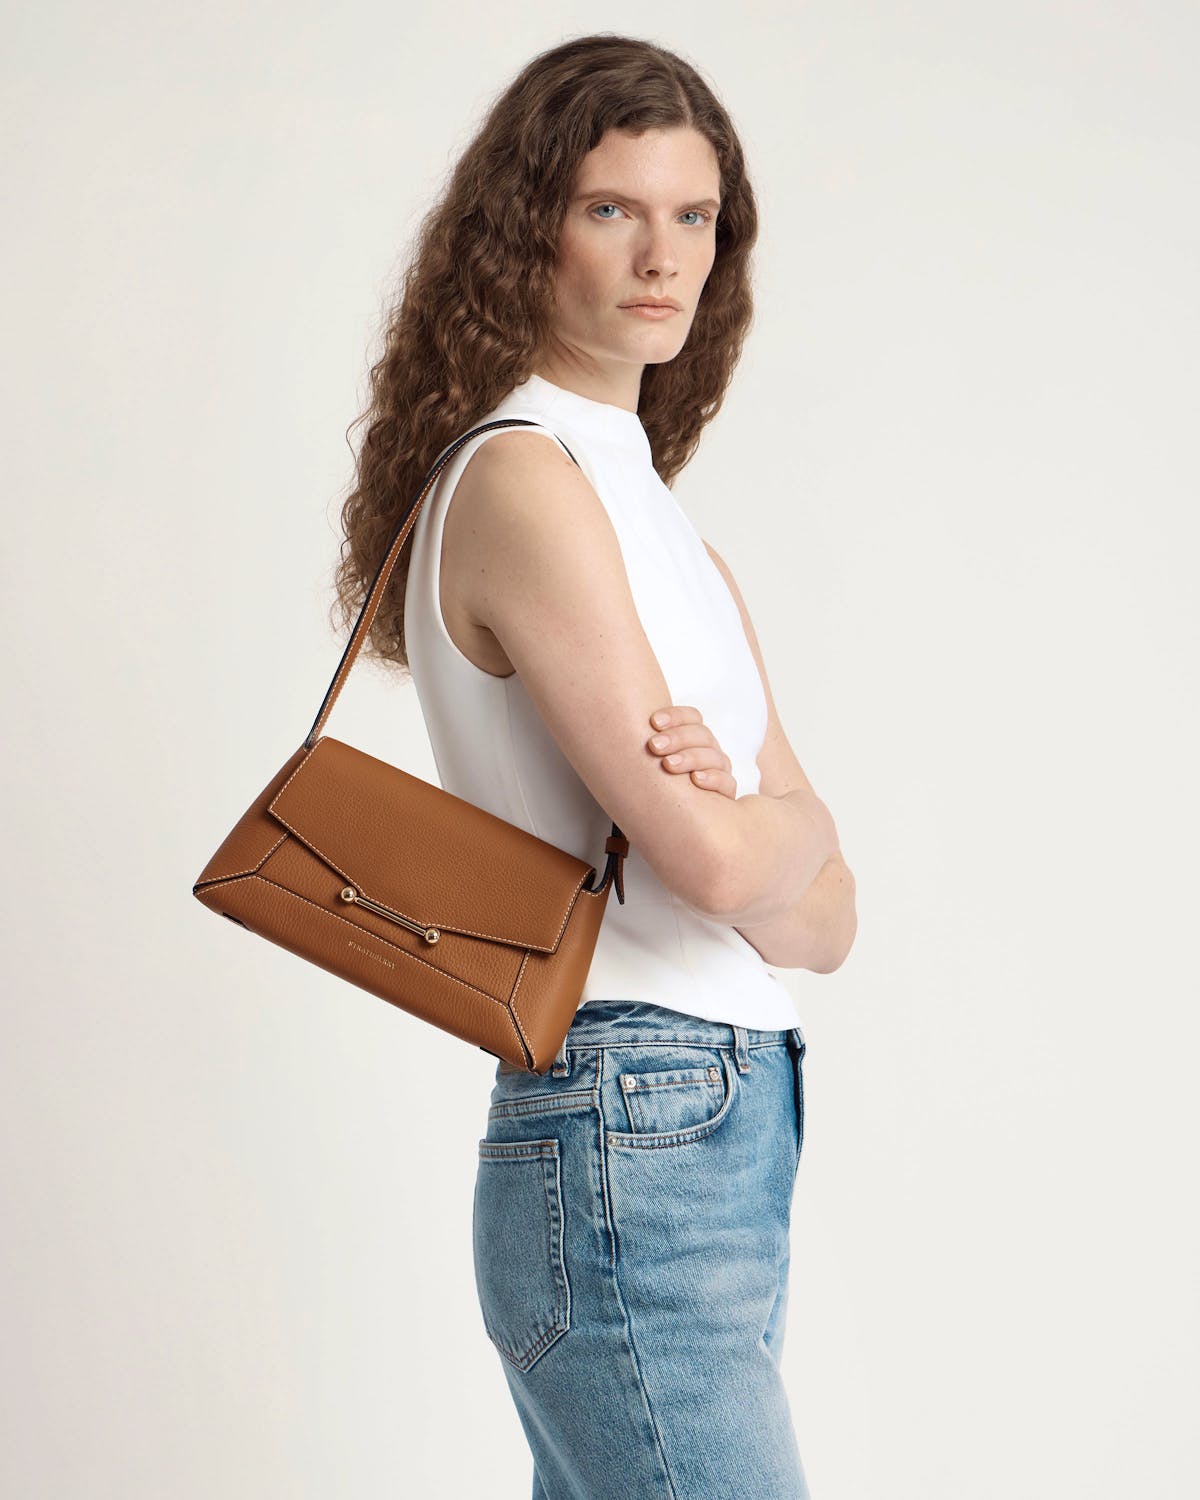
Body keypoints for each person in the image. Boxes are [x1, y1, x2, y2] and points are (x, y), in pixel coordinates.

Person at [333, 32, 856, 1500]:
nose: (662, 256)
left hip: (716, 1113)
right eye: (612, 209)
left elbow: (828, 922)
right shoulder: (521, 480)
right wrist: (774, 824)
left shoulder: (666, 529)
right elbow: (712, 866)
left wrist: (777, 824)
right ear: (527, 231)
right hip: (637, 1106)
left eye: (695, 218)